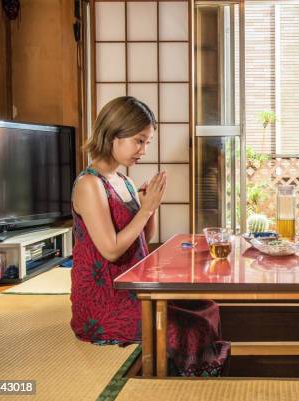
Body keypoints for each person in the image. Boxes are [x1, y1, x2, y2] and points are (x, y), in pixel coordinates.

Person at [70, 96, 229, 376]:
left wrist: (150, 209)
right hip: (106, 300)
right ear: (112, 135)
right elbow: (110, 250)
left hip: (137, 289)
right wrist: (146, 208)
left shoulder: (125, 181)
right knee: (194, 327)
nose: (143, 150)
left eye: (147, 142)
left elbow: (144, 236)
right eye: (139, 140)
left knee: (208, 308)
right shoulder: (89, 184)